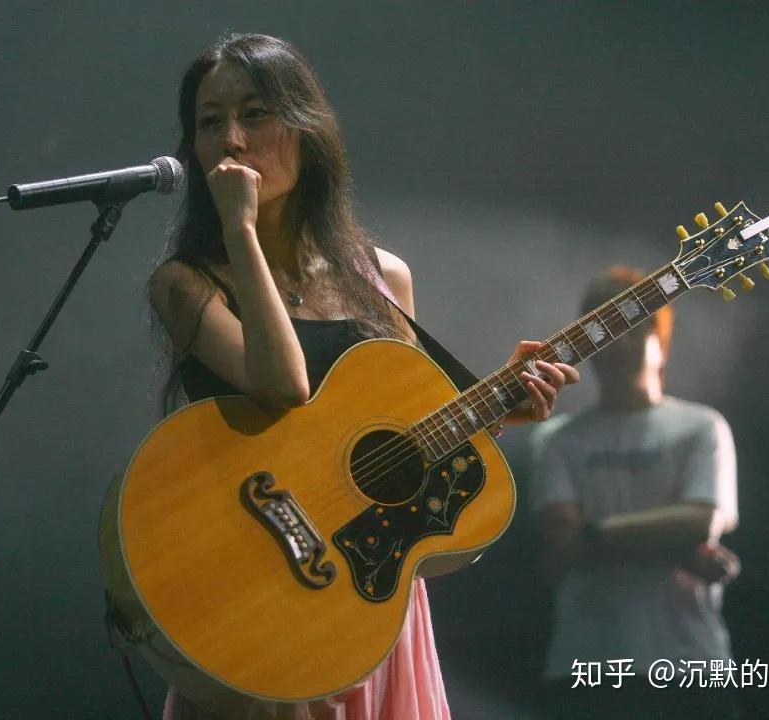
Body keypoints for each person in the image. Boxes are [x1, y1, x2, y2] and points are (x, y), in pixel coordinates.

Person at [146, 33, 580, 720]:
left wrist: (497, 404)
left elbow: (403, 444)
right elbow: (282, 385)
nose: (232, 139)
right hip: (259, 595)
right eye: (210, 122)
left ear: (305, 129)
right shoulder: (186, 283)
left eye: (255, 114)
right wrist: (241, 231)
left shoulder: (382, 278)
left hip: (368, 592)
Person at [528, 266, 741, 720]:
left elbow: (700, 521)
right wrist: (675, 547)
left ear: (659, 338)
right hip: (588, 668)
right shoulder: (556, 439)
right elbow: (563, 544)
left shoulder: (702, 427)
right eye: (601, 331)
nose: (616, 343)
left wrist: (595, 534)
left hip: (689, 664)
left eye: (630, 326)